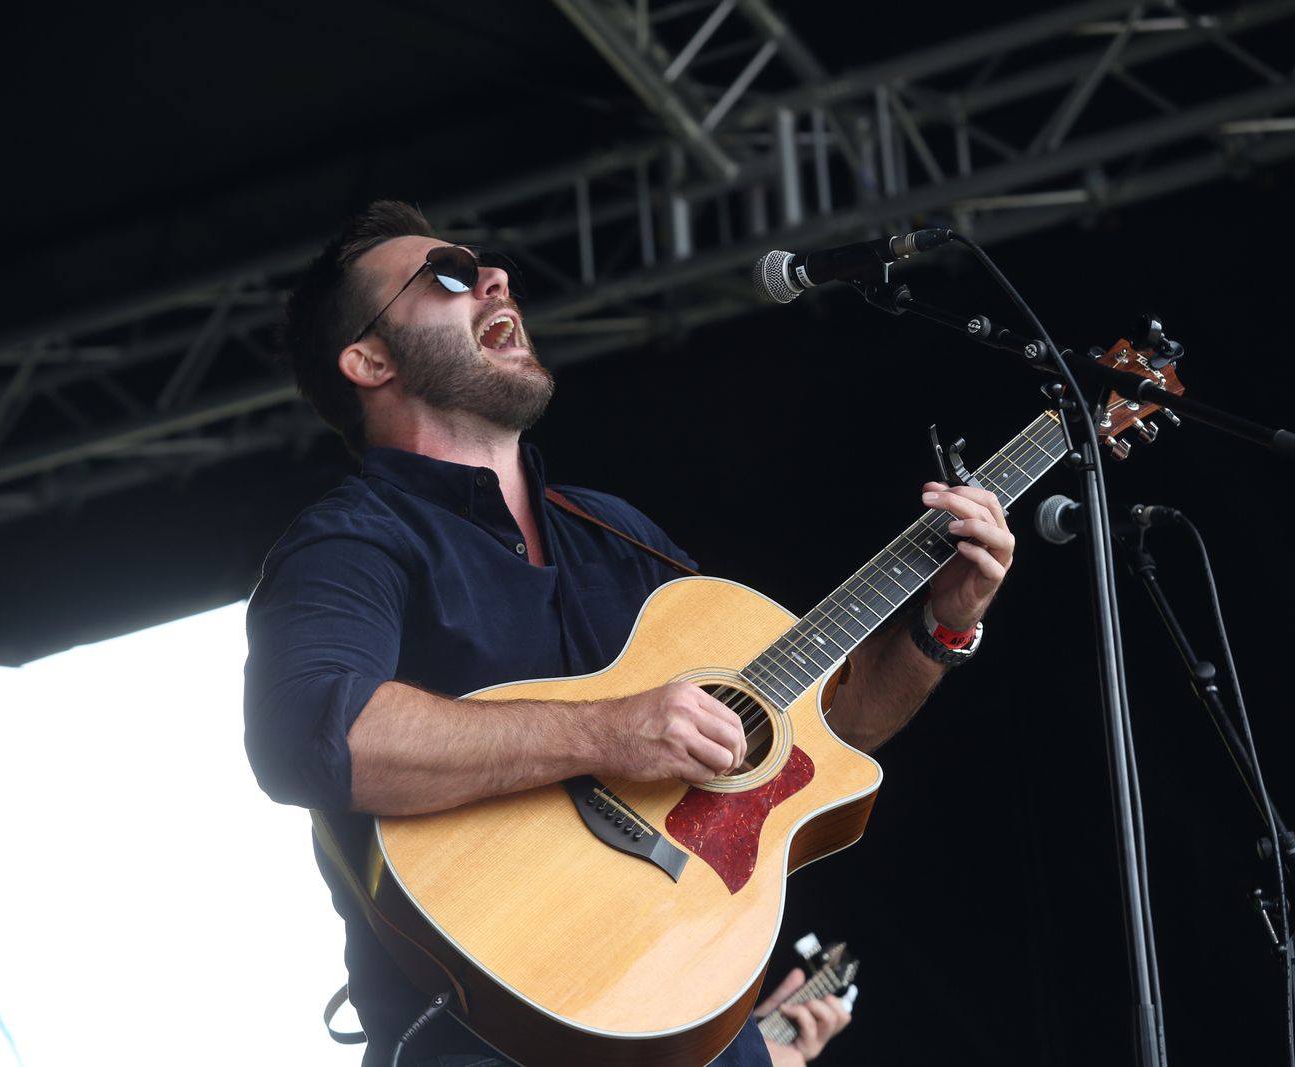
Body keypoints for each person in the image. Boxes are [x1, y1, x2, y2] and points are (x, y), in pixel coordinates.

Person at [243, 200, 1014, 1066]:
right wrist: (609, 731)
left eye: (486, 265)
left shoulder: (616, 531)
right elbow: (312, 735)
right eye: (448, 275)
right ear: (369, 359)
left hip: (689, 1023)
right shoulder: (353, 539)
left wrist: (943, 623)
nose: (494, 277)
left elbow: (812, 736)